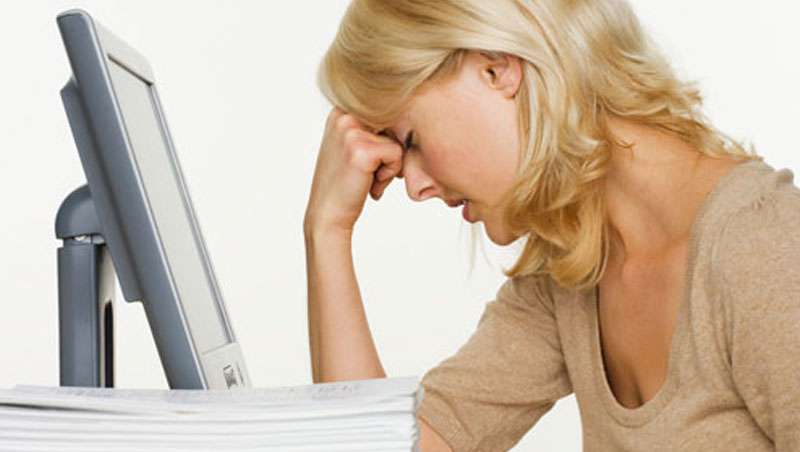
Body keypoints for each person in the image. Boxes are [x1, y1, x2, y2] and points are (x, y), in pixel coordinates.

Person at [304, 1, 800, 451]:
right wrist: (328, 230)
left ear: (496, 69)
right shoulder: (571, 273)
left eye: (410, 139)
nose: (414, 186)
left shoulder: (764, 248)